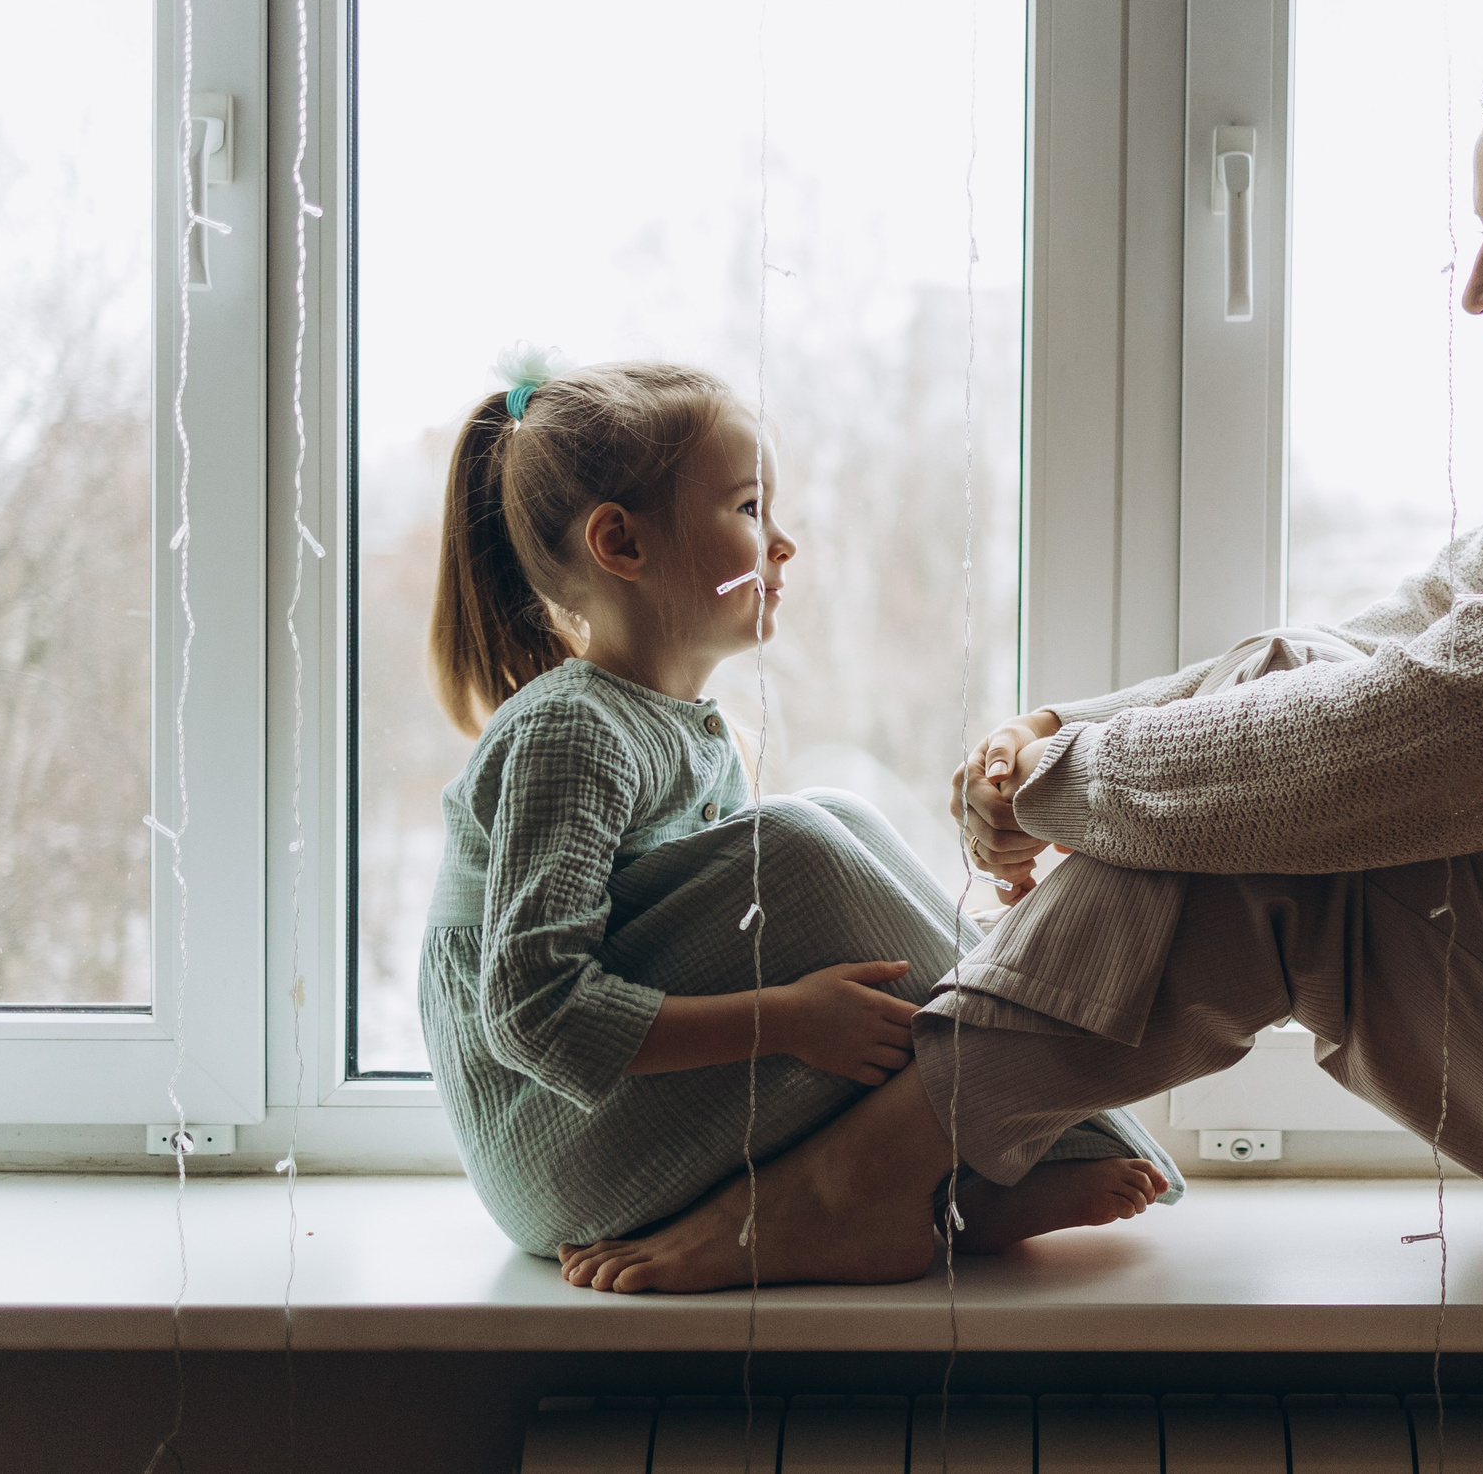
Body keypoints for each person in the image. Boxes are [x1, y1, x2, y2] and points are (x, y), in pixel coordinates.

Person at [560, 29, 1483, 1298]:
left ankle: (873, 1171)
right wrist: (1054, 743)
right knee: (1290, 692)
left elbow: (1387, 742)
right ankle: (945, 1149)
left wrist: (1070, 780)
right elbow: (1389, 639)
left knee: (1299, 843)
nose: (1476, 285)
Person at [416, 356, 1174, 1286]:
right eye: (746, 510)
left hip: (615, 1137)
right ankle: (1041, 1130)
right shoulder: (570, 730)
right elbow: (534, 1014)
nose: (783, 546)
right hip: (559, 1159)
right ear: (622, 544)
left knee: (830, 815)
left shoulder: (687, 731)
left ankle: (952, 1189)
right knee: (804, 841)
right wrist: (787, 1021)